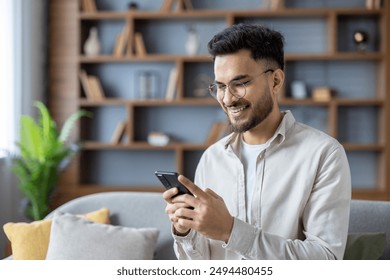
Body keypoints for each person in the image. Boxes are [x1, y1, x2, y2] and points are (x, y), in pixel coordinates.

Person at [163, 23, 351, 260]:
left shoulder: (324, 154)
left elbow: (326, 260)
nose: (228, 99)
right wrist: (186, 230)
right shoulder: (212, 158)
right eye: (220, 86)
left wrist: (231, 231)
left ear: (275, 81)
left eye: (240, 83)